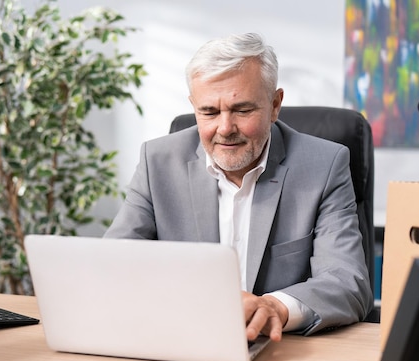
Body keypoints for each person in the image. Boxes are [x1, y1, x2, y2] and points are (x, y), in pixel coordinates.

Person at [104, 32, 373, 342]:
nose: (225, 128)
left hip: (280, 351)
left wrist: (274, 307)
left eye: (243, 110)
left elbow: (347, 283)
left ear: (275, 105)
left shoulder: (324, 165)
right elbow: (114, 263)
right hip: (181, 342)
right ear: (194, 107)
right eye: (209, 112)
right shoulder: (158, 162)